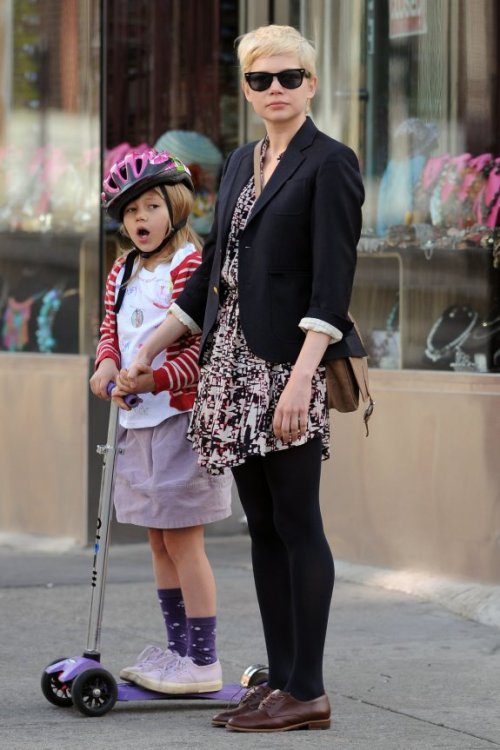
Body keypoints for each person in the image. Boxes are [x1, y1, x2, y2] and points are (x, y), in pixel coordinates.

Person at [116, 24, 365, 731]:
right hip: (229, 366)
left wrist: (298, 381)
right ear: (247, 90)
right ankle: (280, 680)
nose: (276, 90)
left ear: (311, 84)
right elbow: (210, 287)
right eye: (261, 80)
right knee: (262, 528)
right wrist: (153, 346)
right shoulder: (238, 165)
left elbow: (331, 287)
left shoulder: (331, 164)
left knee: (298, 522)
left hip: (288, 368)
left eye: (289, 78)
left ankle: (308, 689)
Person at [89, 148, 233, 695]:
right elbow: (111, 330)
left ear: (175, 207)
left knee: (183, 542)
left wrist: (153, 378)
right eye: (129, 212)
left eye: (150, 206)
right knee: (157, 540)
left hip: (179, 422)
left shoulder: (188, 266)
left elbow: (201, 349)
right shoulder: (122, 269)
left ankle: (202, 661)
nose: (140, 219)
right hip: (136, 425)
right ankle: (177, 652)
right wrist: (106, 366)